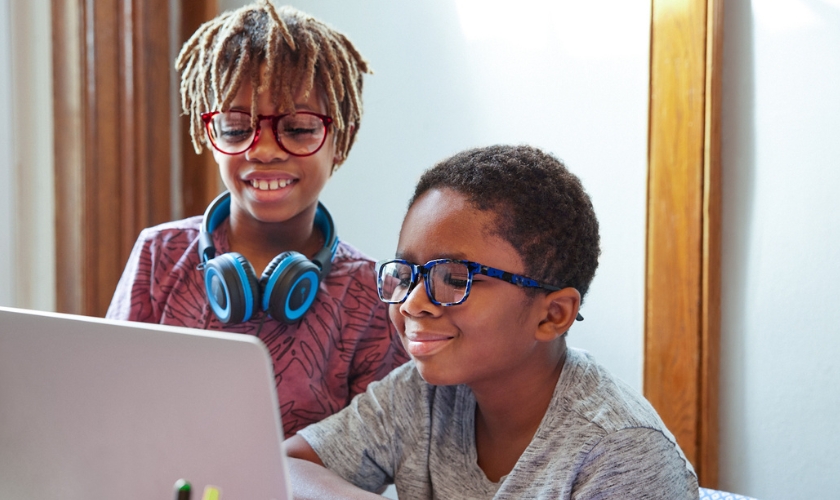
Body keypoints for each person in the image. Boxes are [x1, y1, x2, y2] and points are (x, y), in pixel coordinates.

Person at [284, 145, 699, 498]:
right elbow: (283, 466)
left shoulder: (620, 453)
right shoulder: (421, 394)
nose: (412, 303)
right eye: (407, 274)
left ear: (552, 315)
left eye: (455, 279)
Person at [106, 0, 407, 438]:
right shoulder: (159, 256)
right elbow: (109, 405)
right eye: (235, 128)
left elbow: (373, 459)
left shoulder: (367, 296)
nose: (263, 150)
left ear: (339, 140)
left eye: (300, 129)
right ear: (210, 138)